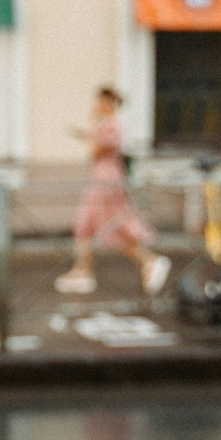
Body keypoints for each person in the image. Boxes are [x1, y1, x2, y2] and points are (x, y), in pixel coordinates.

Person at [56, 85, 169, 297]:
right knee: (86, 225)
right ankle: (83, 272)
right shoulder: (108, 125)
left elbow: (96, 150)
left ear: (107, 102)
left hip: (107, 180)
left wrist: (92, 126)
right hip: (101, 177)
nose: (95, 105)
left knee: (114, 226)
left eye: (99, 101)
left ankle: (150, 261)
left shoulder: (112, 124)